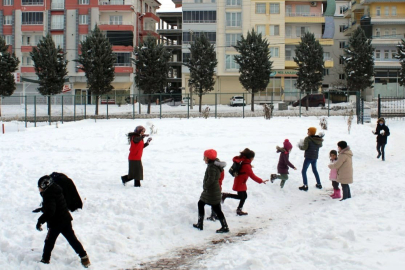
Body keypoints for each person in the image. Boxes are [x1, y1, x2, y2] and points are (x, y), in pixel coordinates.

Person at [34, 176, 90, 268]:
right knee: (72, 239)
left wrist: (40, 221)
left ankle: (45, 260)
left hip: (56, 222)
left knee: (49, 241)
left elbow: (50, 211)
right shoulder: (55, 189)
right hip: (65, 219)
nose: (38, 189)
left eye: (39, 186)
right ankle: (84, 257)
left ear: (45, 186)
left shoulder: (49, 195)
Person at [222, 148, 269, 216]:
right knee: (242, 196)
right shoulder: (246, 165)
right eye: (253, 158)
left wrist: (249, 166)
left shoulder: (245, 162)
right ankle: (234, 205)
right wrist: (261, 181)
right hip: (240, 182)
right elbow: (252, 175)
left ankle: (236, 206)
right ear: (250, 158)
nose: (253, 159)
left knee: (243, 196)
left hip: (241, 181)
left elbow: (244, 167)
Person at [193, 149, 229, 233]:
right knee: (202, 204)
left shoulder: (212, 167)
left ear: (208, 158)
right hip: (212, 190)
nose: (203, 159)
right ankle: (200, 223)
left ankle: (224, 227)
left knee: (214, 208)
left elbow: (211, 179)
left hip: (211, 191)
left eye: (204, 157)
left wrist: (205, 185)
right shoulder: (214, 165)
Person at [298, 127, 323, 191]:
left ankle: (305, 185)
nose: (307, 133)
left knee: (304, 171)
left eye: (308, 132)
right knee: (315, 170)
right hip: (315, 157)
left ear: (311, 132)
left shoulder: (307, 139)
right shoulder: (318, 139)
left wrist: (299, 146)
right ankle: (319, 184)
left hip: (308, 157)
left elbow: (305, 147)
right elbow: (320, 145)